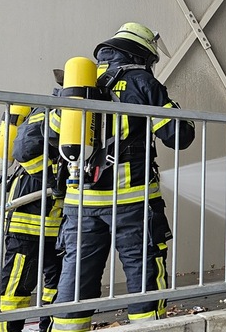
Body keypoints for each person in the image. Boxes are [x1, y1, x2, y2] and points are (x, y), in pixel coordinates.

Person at [50, 22, 195, 332]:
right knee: (144, 272)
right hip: (130, 200)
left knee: (77, 276)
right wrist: (178, 113)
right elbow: (177, 136)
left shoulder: (80, 85)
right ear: (142, 54)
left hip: (80, 202)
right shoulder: (141, 82)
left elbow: (51, 137)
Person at [0, 79, 66, 332]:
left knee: (57, 283)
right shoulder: (47, 111)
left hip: (57, 222)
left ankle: (50, 328)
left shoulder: (75, 117)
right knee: (17, 286)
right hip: (30, 219)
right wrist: (56, 178)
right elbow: (24, 151)